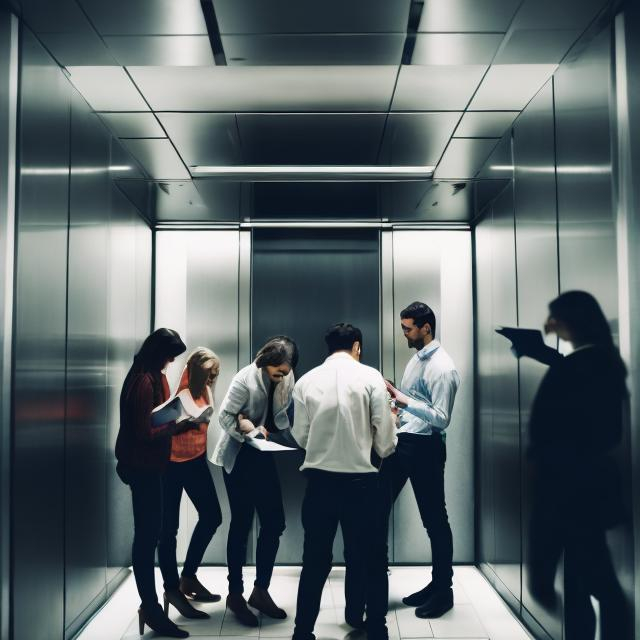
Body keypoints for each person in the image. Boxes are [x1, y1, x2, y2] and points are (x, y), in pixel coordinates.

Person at [512, 291, 630, 640]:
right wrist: (547, 355)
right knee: (580, 582)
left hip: (572, 492)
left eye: (554, 317)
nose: (549, 324)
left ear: (573, 320)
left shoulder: (591, 364)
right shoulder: (598, 361)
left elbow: (580, 420)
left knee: (597, 583)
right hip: (578, 490)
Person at [291, 323, 397, 640]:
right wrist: (389, 423)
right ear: (357, 347)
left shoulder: (306, 382)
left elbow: (300, 437)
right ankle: (376, 630)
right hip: (363, 486)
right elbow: (385, 446)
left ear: (328, 348)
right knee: (372, 559)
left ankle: (303, 632)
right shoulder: (371, 379)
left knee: (314, 562)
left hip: (320, 486)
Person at [211, 336, 299, 626]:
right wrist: (246, 430)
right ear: (265, 363)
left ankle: (260, 591)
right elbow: (224, 417)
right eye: (280, 372)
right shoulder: (243, 380)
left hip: (262, 452)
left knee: (275, 522)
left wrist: (279, 429)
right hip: (239, 456)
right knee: (241, 523)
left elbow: (281, 414)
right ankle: (235, 594)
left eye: (287, 372)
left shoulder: (287, 375)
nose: (284, 376)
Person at [115, 328, 193, 639]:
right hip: (145, 468)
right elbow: (144, 432)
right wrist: (177, 425)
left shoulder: (145, 374)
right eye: (170, 354)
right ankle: (150, 607)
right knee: (147, 538)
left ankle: (153, 605)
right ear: (159, 352)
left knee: (150, 534)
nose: (173, 360)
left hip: (148, 467)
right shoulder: (144, 381)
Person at [384, 302, 460, 618]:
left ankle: (443, 590)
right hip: (405, 442)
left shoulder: (444, 367)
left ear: (425, 327)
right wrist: (396, 407)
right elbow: (414, 402)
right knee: (377, 504)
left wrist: (403, 399)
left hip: (427, 448)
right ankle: (432, 584)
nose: (404, 333)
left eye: (408, 328)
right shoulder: (417, 360)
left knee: (434, 520)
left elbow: (442, 418)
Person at [158, 348, 223, 620]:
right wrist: (182, 425)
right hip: (170, 464)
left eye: (215, 374)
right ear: (196, 370)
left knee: (212, 517)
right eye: (209, 374)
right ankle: (172, 589)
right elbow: (162, 425)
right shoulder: (180, 391)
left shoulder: (205, 391)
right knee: (168, 529)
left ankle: (188, 577)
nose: (212, 379)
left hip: (195, 461)